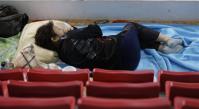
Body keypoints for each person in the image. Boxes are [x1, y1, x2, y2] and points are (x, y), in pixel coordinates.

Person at [35, 21, 183, 70]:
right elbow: (96, 30)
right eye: (57, 28)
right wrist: (74, 30)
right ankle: (168, 39)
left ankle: (163, 48)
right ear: (54, 37)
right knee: (132, 27)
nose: (61, 26)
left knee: (126, 38)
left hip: (122, 67)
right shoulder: (70, 36)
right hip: (126, 53)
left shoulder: (63, 57)